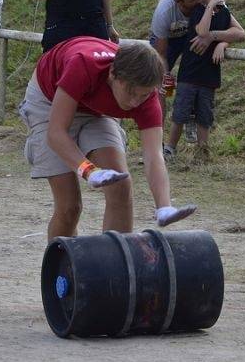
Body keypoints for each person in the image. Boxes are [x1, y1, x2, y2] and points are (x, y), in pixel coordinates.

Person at [18, 36, 197, 241]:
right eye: (131, 93)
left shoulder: (146, 97)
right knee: (69, 207)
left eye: (143, 95)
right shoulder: (82, 65)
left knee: (121, 186)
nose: (135, 102)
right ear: (113, 74)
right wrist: (89, 170)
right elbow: (56, 133)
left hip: (97, 106)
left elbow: (154, 155)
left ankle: (117, 260)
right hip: (50, 99)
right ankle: (60, 262)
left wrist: (164, 206)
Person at [164, 0, 245, 161]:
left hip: (209, 75)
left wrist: (222, 43)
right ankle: (170, 148)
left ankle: (202, 153)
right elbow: (202, 31)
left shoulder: (225, 13)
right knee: (180, 113)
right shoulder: (199, 10)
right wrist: (209, 6)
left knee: (205, 116)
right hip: (189, 74)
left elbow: (240, 34)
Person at [149, 0, 213, 142]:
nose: (199, 1)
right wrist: (165, 76)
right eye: (193, 0)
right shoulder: (164, 11)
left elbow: (231, 26)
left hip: (194, 36)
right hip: (168, 41)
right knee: (160, 86)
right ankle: (157, 138)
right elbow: (161, 54)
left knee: (195, 77)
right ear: (179, 2)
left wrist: (213, 38)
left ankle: (191, 114)